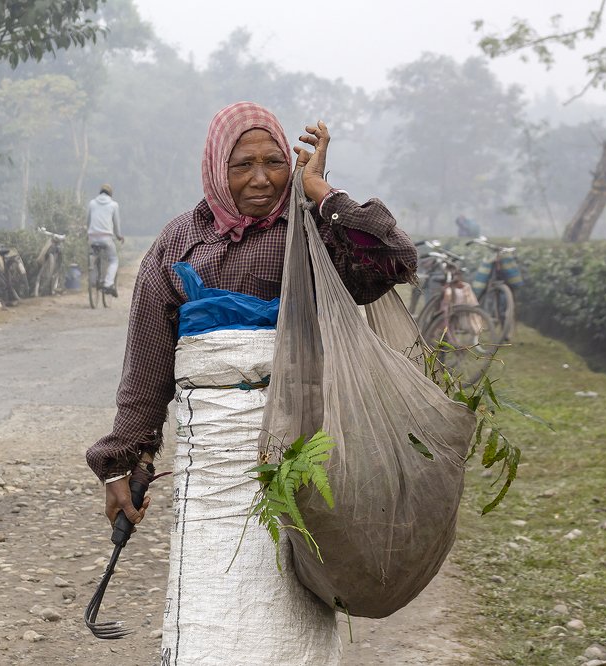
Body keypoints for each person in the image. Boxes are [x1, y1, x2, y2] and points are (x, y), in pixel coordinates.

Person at [85, 102, 416, 662]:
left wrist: (321, 192)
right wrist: (122, 463)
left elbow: (394, 261)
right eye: (242, 165)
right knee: (211, 607)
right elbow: (145, 371)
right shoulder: (177, 245)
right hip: (210, 470)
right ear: (217, 168)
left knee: (292, 608)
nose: (261, 179)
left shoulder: (314, 234)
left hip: (302, 462)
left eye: (274, 162)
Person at [86, 183, 123, 297]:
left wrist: (88, 233)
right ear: (110, 193)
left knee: (93, 254)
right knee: (113, 260)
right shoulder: (113, 205)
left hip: (92, 237)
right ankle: (108, 283)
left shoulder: (92, 203)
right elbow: (116, 223)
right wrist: (118, 236)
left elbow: (88, 221)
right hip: (106, 238)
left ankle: (94, 279)